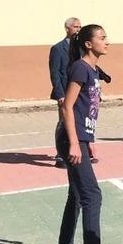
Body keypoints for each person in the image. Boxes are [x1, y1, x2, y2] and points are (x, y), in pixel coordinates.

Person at [54, 24, 121, 244]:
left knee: (77, 195)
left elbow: (86, 109)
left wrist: (88, 139)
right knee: (93, 196)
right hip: (71, 139)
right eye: (102, 38)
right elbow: (67, 106)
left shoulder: (93, 69)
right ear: (89, 44)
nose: (108, 41)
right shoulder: (81, 68)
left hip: (80, 137)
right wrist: (74, 142)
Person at [49, 17, 81, 168]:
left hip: (79, 92)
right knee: (63, 122)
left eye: (80, 27)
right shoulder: (57, 49)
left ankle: (79, 150)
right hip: (64, 91)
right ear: (67, 28)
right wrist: (60, 93)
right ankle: (60, 155)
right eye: (75, 26)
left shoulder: (82, 48)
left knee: (78, 121)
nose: (78, 29)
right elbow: (55, 73)